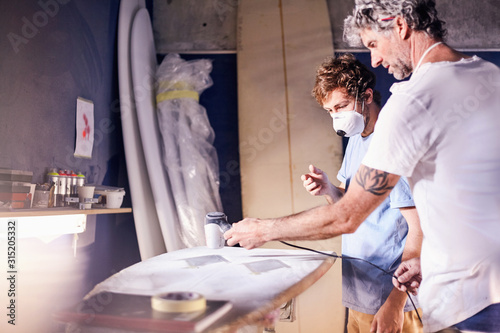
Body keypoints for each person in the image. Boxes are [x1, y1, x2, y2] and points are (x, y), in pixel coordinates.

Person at [224, 0, 500, 332]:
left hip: (465, 302)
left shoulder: (411, 101)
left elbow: (347, 217)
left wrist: (261, 230)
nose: (376, 59)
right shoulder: (489, 75)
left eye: (373, 44)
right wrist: (426, 257)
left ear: (399, 25)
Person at [302, 53, 422, 333]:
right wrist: (328, 188)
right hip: (360, 292)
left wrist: (395, 303)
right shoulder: (357, 139)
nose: (336, 118)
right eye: (330, 111)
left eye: (341, 106)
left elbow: (420, 230)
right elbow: (349, 207)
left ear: (366, 95)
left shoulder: (392, 144)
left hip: (391, 300)